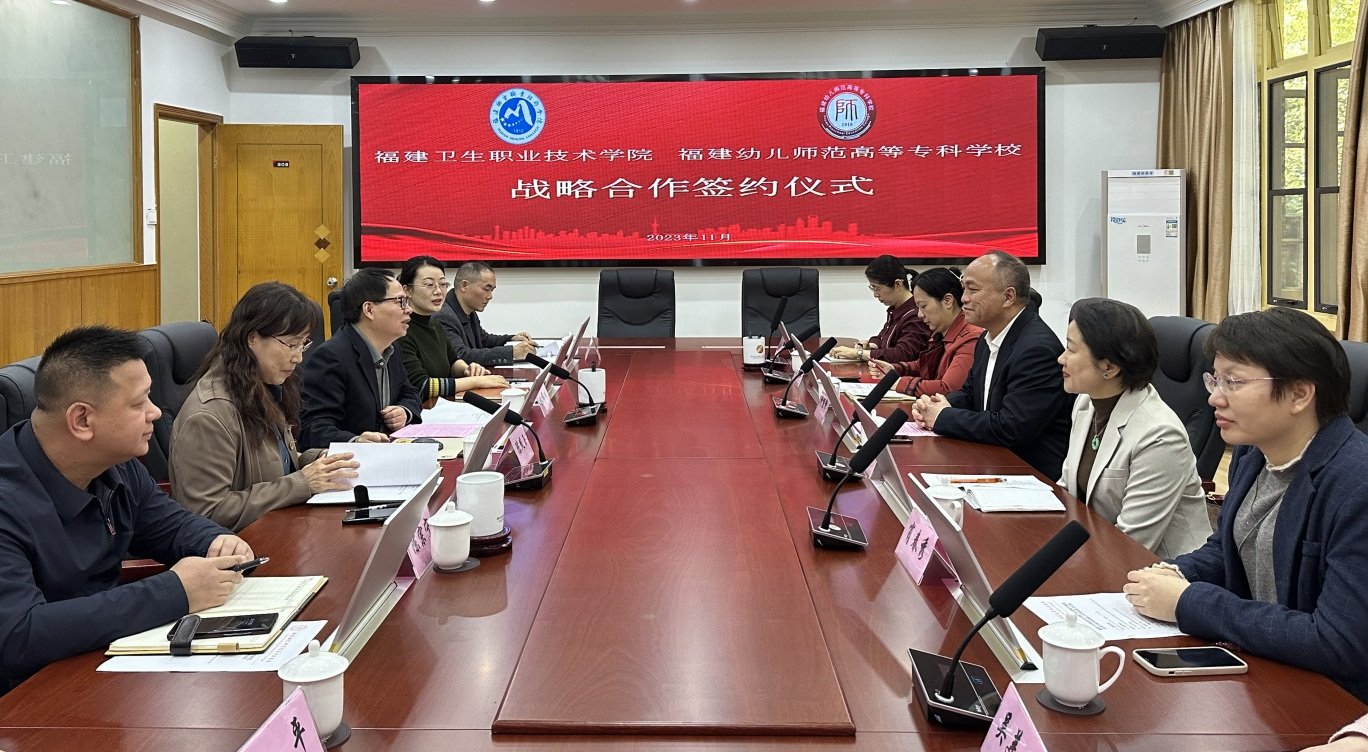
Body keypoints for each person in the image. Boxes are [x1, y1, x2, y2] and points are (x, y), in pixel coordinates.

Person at [1123, 307, 1368, 703]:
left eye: (1233, 382)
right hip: (1263, 670)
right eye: (1215, 379)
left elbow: (1338, 641)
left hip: (1332, 702)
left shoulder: (1357, 485)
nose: (1214, 397)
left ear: (1300, 394)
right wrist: (1176, 572)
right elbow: (1229, 548)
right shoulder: (1253, 452)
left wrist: (1188, 602)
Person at [0, 326, 253, 692]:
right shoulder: (8, 500)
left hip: (100, 666)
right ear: (82, 420)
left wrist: (216, 541)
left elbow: (168, 525)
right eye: (139, 404)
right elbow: (18, 635)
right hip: (31, 696)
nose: (155, 412)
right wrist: (173, 592)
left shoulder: (115, 464)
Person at [170, 283, 360, 532]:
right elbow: (208, 512)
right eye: (291, 345)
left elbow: (272, 464)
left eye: (303, 344)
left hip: (278, 530)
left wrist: (322, 462)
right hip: (240, 547)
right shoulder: (208, 415)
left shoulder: (258, 385)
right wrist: (302, 483)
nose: (298, 357)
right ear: (252, 338)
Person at [1056, 298, 1210, 559]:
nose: (1061, 358)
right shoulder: (1086, 403)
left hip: (1161, 568)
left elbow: (1132, 543)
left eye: (1071, 349)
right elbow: (1069, 492)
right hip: (1096, 550)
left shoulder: (1159, 435)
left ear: (1109, 367)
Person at [909, 251, 1072, 478]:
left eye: (972, 290)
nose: (963, 298)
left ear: (1008, 297)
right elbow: (971, 393)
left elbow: (1012, 427)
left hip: (1027, 474)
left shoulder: (1036, 348)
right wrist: (936, 405)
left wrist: (942, 417)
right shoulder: (988, 338)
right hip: (992, 460)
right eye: (963, 289)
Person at [300, 269, 424, 449]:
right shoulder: (331, 357)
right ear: (369, 309)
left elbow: (409, 392)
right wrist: (355, 442)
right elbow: (313, 429)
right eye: (400, 302)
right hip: (352, 460)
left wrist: (405, 411)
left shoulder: (392, 348)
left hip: (388, 451)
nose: (409, 309)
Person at [396, 256, 508, 404]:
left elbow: (452, 361)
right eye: (429, 285)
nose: (438, 291)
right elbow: (422, 386)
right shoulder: (401, 330)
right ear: (408, 290)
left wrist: (467, 369)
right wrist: (476, 381)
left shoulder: (434, 323)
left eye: (442, 284)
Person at [868, 267, 982, 397]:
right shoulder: (940, 333)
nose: (920, 314)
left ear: (948, 301)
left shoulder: (970, 338)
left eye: (923, 306)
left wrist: (897, 383)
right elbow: (923, 365)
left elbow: (947, 389)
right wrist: (894, 369)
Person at [830, 255, 930, 364]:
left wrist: (858, 353)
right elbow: (882, 338)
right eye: (872, 288)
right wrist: (871, 345)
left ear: (898, 284)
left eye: (877, 288)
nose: (875, 295)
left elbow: (903, 354)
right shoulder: (896, 309)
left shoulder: (916, 314)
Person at [434, 261, 536, 367]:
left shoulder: (467, 309)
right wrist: (511, 352)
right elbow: (461, 355)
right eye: (486, 289)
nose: (490, 296)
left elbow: (484, 340)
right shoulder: (444, 316)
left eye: (491, 290)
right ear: (464, 286)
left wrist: (511, 338)